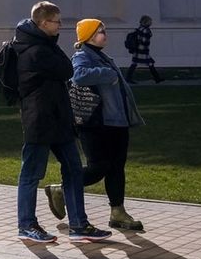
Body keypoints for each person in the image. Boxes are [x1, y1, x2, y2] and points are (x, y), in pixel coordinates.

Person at [11, 0, 109, 244]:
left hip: (59, 119)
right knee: (31, 174)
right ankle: (26, 224)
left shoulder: (44, 45)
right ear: (43, 23)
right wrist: (55, 51)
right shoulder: (34, 50)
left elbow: (64, 69)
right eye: (56, 22)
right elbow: (67, 70)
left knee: (74, 170)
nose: (60, 26)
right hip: (40, 120)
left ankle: (78, 224)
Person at [60, 18, 147, 232]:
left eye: (104, 31)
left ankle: (117, 211)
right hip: (95, 123)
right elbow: (78, 76)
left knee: (117, 167)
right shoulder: (83, 55)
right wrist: (106, 74)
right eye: (100, 31)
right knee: (98, 168)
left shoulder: (102, 56)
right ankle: (62, 190)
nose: (104, 35)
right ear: (88, 35)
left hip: (117, 123)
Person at [123, 14, 161, 84]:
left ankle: (128, 78)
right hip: (143, 50)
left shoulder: (139, 28)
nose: (151, 23)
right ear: (146, 22)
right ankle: (157, 79)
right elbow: (144, 41)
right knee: (150, 63)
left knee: (135, 63)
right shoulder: (146, 30)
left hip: (137, 49)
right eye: (150, 21)